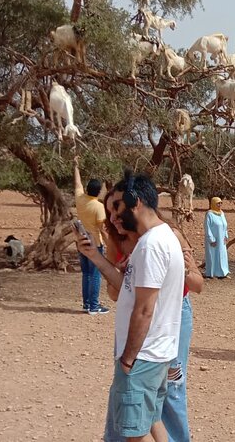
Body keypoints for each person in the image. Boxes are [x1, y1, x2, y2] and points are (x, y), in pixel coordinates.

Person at [76, 171, 185, 442]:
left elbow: (144, 309)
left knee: (135, 434)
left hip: (143, 357)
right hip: (156, 354)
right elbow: (127, 288)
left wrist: (127, 359)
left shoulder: (151, 246)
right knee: (152, 421)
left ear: (134, 201)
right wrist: (94, 256)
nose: (112, 217)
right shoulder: (160, 237)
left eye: (117, 207)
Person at [100, 189, 204, 442]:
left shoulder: (166, 237)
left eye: (117, 208)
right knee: (135, 396)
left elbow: (197, 284)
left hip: (170, 315)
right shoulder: (122, 240)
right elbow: (116, 294)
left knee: (172, 389)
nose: (114, 217)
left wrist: (180, 269)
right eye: (109, 211)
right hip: (138, 320)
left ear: (135, 206)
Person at [73, 156, 109, 314]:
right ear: (99, 191)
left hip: (81, 241)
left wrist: (75, 166)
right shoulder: (98, 206)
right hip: (95, 244)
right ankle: (94, 306)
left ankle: (86, 304)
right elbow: (102, 228)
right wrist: (108, 243)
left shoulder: (80, 199)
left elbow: (77, 183)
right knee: (95, 275)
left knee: (86, 273)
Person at [204, 197, 230, 279]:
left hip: (221, 240)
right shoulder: (209, 214)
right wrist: (211, 239)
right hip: (214, 240)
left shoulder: (222, 213)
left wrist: (226, 235)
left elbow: (224, 226)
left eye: (221, 203)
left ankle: (223, 272)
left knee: (222, 255)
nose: (220, 205)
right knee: (213, 255)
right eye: (218, 203)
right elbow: (207, 227)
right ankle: (211, 273)